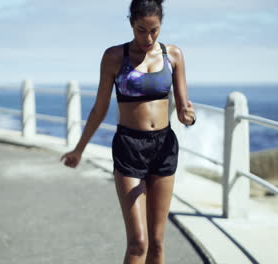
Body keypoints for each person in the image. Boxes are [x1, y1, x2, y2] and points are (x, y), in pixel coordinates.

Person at [60, 0, 195, 263]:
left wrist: (188, 117)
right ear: (131, 24)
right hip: (129, 148)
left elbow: (182, 110)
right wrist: (79, 150)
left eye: (154, 30)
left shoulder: (174, 55)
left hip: (164, 147)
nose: (148, 37)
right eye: (141, 30)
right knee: (138, 243)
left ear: (161, 25)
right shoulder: (113, 57)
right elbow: (99, 109)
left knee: (157, 243)